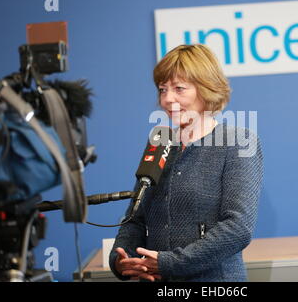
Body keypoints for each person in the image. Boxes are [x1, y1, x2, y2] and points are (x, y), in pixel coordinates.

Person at [109, 44, 263, 282]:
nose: (167, 99)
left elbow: (238, 227)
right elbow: (136, 218)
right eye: (162, 90)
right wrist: (122, 260)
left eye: (179, 89)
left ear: (206, 89)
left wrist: (168, 263)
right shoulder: (159, 143)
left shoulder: (237, 142)